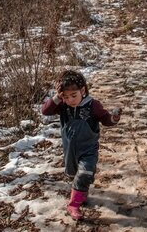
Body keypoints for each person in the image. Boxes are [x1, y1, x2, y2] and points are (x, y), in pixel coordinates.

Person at [41, 70, 122, 220]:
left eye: (74, 95)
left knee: (85, 173)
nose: (70, 100)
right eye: (66, 96)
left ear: (83, 91)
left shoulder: (93, 105)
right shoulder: (63, 106)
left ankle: (73, 205)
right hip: (70, 149)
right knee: (75, 174)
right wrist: (58, 98)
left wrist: (114, 118)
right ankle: (81, 195)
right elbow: (45, 111)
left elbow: (105, 119)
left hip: (89, 148)